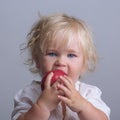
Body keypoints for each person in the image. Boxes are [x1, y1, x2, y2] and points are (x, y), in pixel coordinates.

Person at [11, 13, 110, 120]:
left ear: (84, 65)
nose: (61, 62)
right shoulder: (29, 94)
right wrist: (42, 106)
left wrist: (83, 106)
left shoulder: (88, 93)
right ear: (37, 60)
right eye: (52, 54)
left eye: (71, 55)